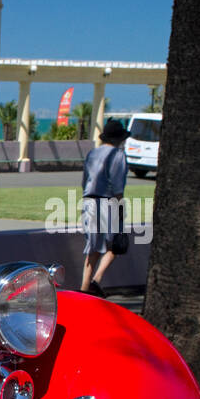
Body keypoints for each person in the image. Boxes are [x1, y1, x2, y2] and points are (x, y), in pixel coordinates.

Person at [79, 118, 131, 295]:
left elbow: (84, 181)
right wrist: (121, 209)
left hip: (89, 202)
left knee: (92, 247)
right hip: (107, 202)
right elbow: (118, 186)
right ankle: (97, 280)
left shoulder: (92, 154)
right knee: (114, 245)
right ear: (119, 138)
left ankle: (84, 288)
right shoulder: (118, 155)